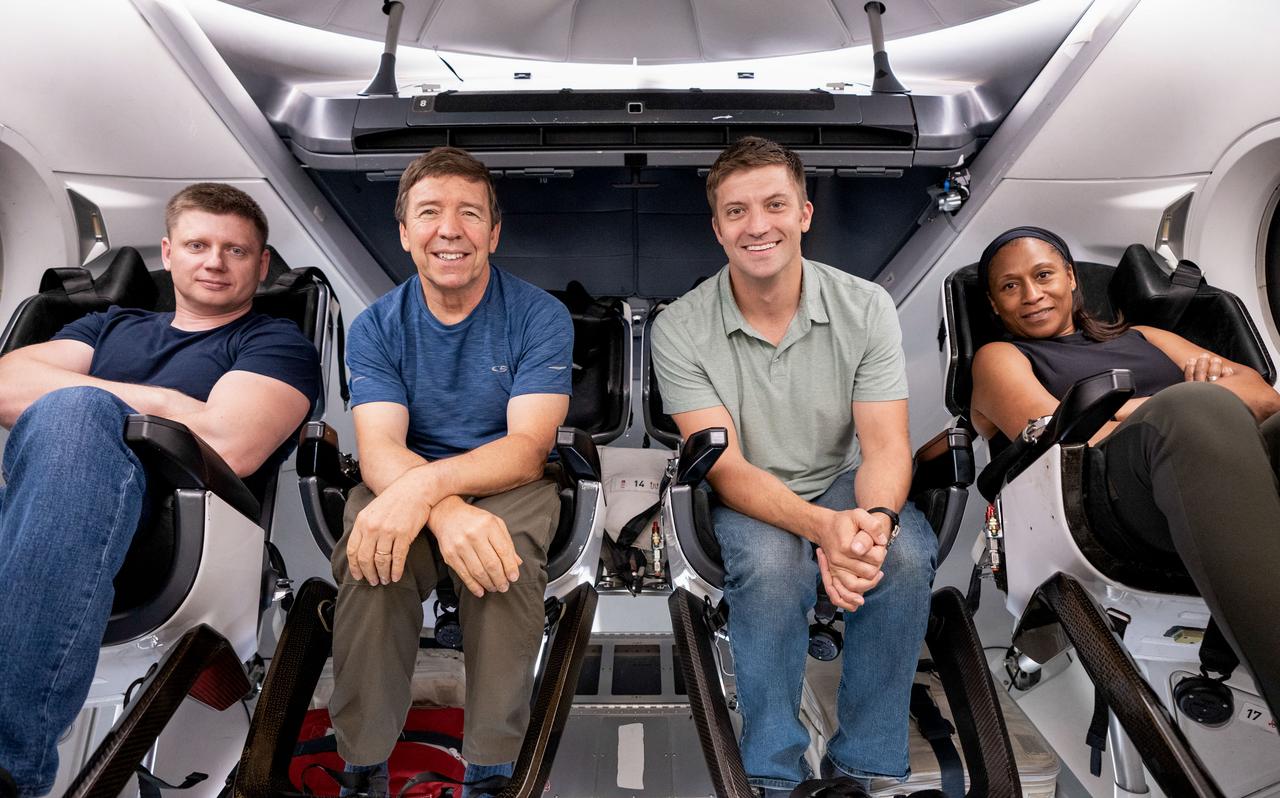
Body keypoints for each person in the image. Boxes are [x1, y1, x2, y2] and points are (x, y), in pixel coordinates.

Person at [0, 183, 322, 797]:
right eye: (199, 244)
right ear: (169, 254)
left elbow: (231, 443)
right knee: (77, 411)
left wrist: (92, 403)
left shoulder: (273, 344)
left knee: (75, 411)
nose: (215, 261)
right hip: (38, 509)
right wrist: (166, 405)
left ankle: (8, 767)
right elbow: (4, 383)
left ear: (261, 263)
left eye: (236, 250)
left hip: (174, 533)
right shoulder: (107, 325)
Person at [650, 137, 937, 795]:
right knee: (774, 568)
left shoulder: (865, 306)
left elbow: (886, 445)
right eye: (737, 211)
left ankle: (864, 765)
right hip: (749, 488)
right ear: (717, 227)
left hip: (841, 478)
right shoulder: (680, 328)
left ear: (804, 213)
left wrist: (873, 523)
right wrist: (822, 530)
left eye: (775, 204)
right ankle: (772, 771)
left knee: (904, 554)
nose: (758, 225)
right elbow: (728, 469)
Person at [329, 146, 573, 798]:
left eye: (470, 214)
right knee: (374, 557)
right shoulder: (377, 325)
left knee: (503, 556)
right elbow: (378, 447)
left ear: (493, 232)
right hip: (403, 473)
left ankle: (492, 773)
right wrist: (441, 507)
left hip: (508, 482)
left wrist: (439, 496)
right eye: (430, 212)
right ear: (405, 232)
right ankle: (363, 766)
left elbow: (526, 447)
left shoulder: (539, 316)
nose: (450, 229)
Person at [969, 225, 1280, 716]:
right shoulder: (999, 358)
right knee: (1193, 407)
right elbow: (1069, 434)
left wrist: (1123, 408)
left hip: (1222, 461)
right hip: (1106, 497)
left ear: (1070, 278)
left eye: (1044, 274)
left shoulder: (1147, 336)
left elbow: (1266, 400)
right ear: (994, 304)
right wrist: (1177, 403)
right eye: (1010, 286)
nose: (1032, 295)